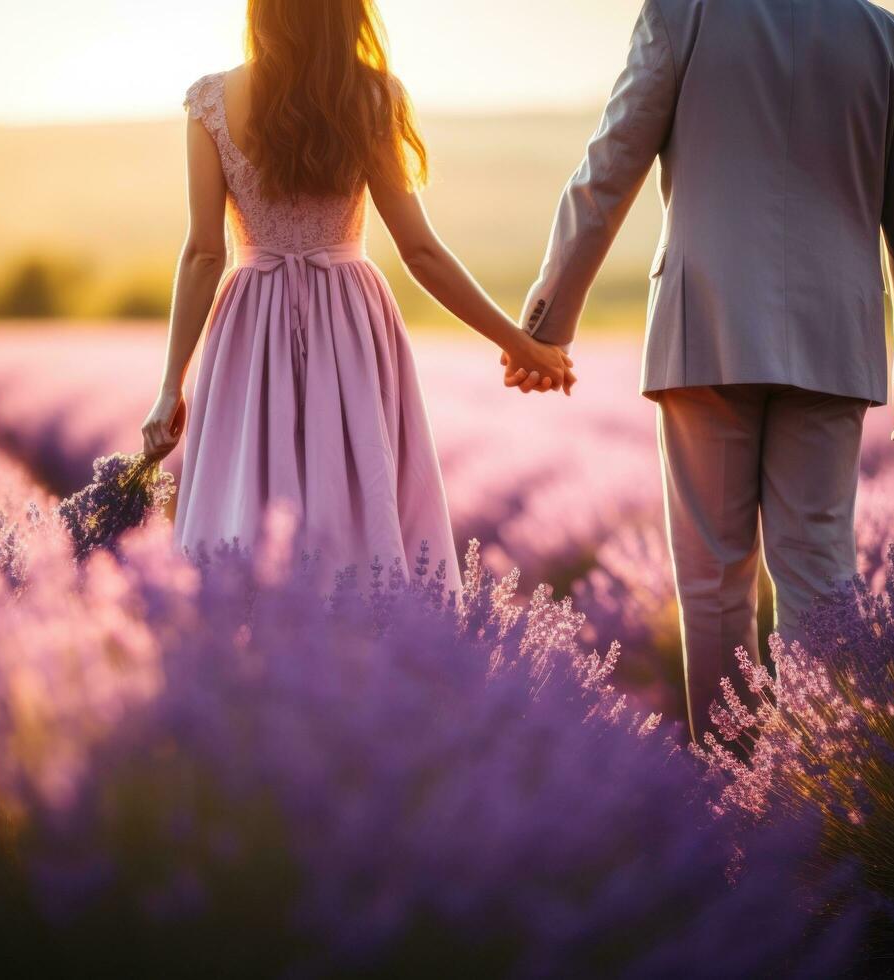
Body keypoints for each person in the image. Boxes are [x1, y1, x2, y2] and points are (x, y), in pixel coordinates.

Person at [509, 0, 894, 741]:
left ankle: (731, 788)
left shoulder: (684, 13)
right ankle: (825, 783)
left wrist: (544, 327)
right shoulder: (887, 39)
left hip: (703, 328)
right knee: (820, 572)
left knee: (712, 580)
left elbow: (609, 166)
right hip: (833, 340)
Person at [141, 0, 574, 595]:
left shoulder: (212, 101)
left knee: (244, 505)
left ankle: (246, 663)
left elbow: (203, 254)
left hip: (250, 322)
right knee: (357, 505)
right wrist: (519, 344)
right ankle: (363, 659)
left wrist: (171, 386)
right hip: (350, 321)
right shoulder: (371, 98)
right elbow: (421, 252)